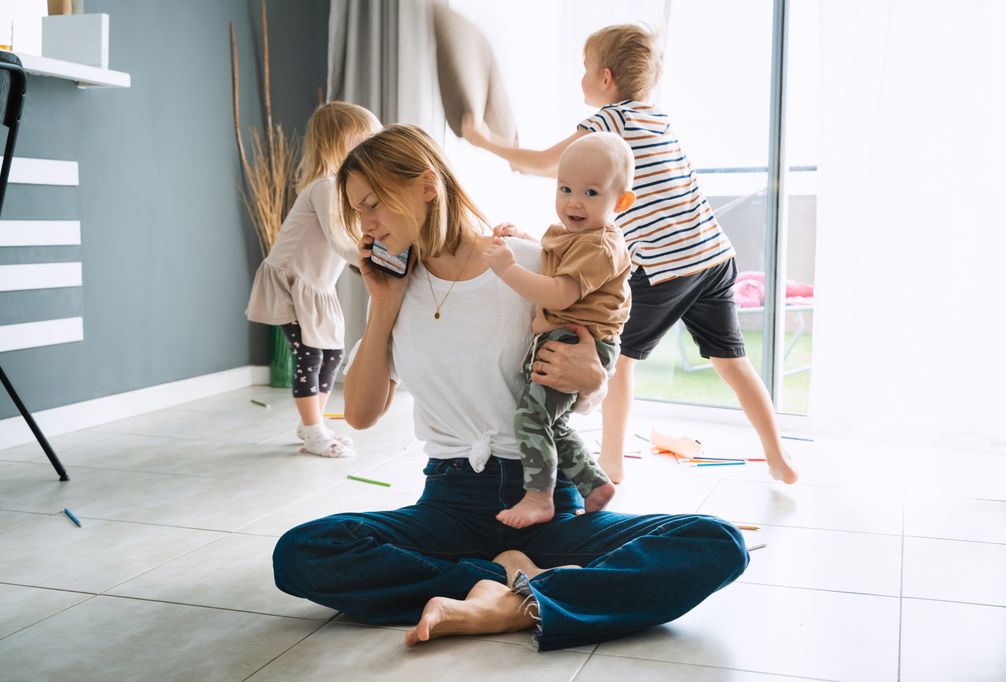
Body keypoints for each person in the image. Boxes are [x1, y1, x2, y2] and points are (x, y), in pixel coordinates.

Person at [271, 124, 748, 652]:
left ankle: (510, 601)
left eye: (374, 204)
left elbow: (579, 385)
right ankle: (513, 586)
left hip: (546, 498)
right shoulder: (395, 288)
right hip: (449, 504)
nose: (367, 224)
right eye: (358, 212)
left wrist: (595, 377)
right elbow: (359, 416)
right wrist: (382, 304)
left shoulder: (527, 265)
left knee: (715, 543)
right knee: (303, 551)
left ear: (427, 186)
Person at [462, 24, 799, 486]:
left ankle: (614, 462)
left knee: (616, 360)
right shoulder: (656, 117)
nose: (580, 77)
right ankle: (778, 457)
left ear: (605, 78)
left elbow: (547, 163)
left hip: (664, 267)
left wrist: (482, 140)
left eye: (584, 69)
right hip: (713, 255)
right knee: (732, 362)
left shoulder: (609, 122)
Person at [481, 132, 634, 529]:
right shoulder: (576, 235)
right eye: (564, 188)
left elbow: (560, 292)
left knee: (530, 419)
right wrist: (526, 240)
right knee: (554, 420)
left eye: (590, 192)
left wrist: (507, 268)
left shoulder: (602, 246)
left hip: (578, 342)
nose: (574, 202)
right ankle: (594, 485)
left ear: (621, 202)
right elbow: (557, 261)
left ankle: (539, 497)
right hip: (564, 337)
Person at [245, 102, 381, 458]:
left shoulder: (341, 187)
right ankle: (313, 429)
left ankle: (312, 424)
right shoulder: (325, 186)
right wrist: (373, 259)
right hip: (293, 284)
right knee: (309, 356)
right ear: (340, 142)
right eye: (363, 140)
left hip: (317, 286)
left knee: (332, 355)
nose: (370, 147)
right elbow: (339, 241)